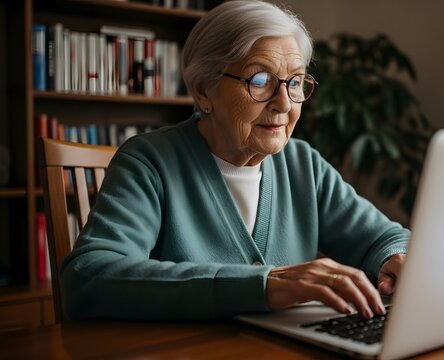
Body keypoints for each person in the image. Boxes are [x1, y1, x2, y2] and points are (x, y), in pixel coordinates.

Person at [61, 0, 409, 320]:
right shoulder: (149, 162)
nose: (284, 104)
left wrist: (395, 258)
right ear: (202, 89)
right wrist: (267, 283)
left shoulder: (303, 164)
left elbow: (384, 237)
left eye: (296, 82)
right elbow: (89, 276)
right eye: (260, 80)